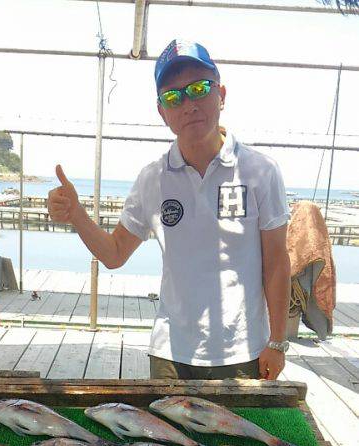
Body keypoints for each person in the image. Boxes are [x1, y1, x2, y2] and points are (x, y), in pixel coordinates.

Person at [47, 39, 291, 380]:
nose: (188, 104)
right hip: (170, 354)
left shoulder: (261, 171)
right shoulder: (153, 179)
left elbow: (277, 262)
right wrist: (77, 215)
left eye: (199, 89)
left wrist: (277, 342)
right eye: (173, 97)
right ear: (162, 112)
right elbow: (114, 254)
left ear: (221, 95)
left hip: (243, 351)